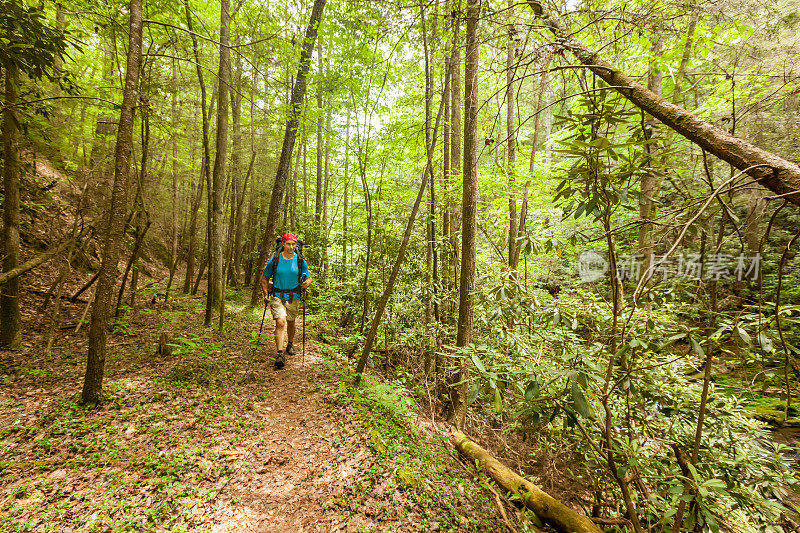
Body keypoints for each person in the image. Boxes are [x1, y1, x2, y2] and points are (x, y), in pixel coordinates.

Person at [260, 233, 312, 369]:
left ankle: (290, 343)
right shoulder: (275, 260)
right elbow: (264, 277)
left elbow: (308, 277)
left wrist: (306, 283)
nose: (291, 247)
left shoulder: (300, 260)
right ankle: (279, 353)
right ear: (283, 244)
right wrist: (266, 294)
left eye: (293, 244)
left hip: (294, 296)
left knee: (291, 322)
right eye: (288, 244)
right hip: (277, 295)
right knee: (280, 321)